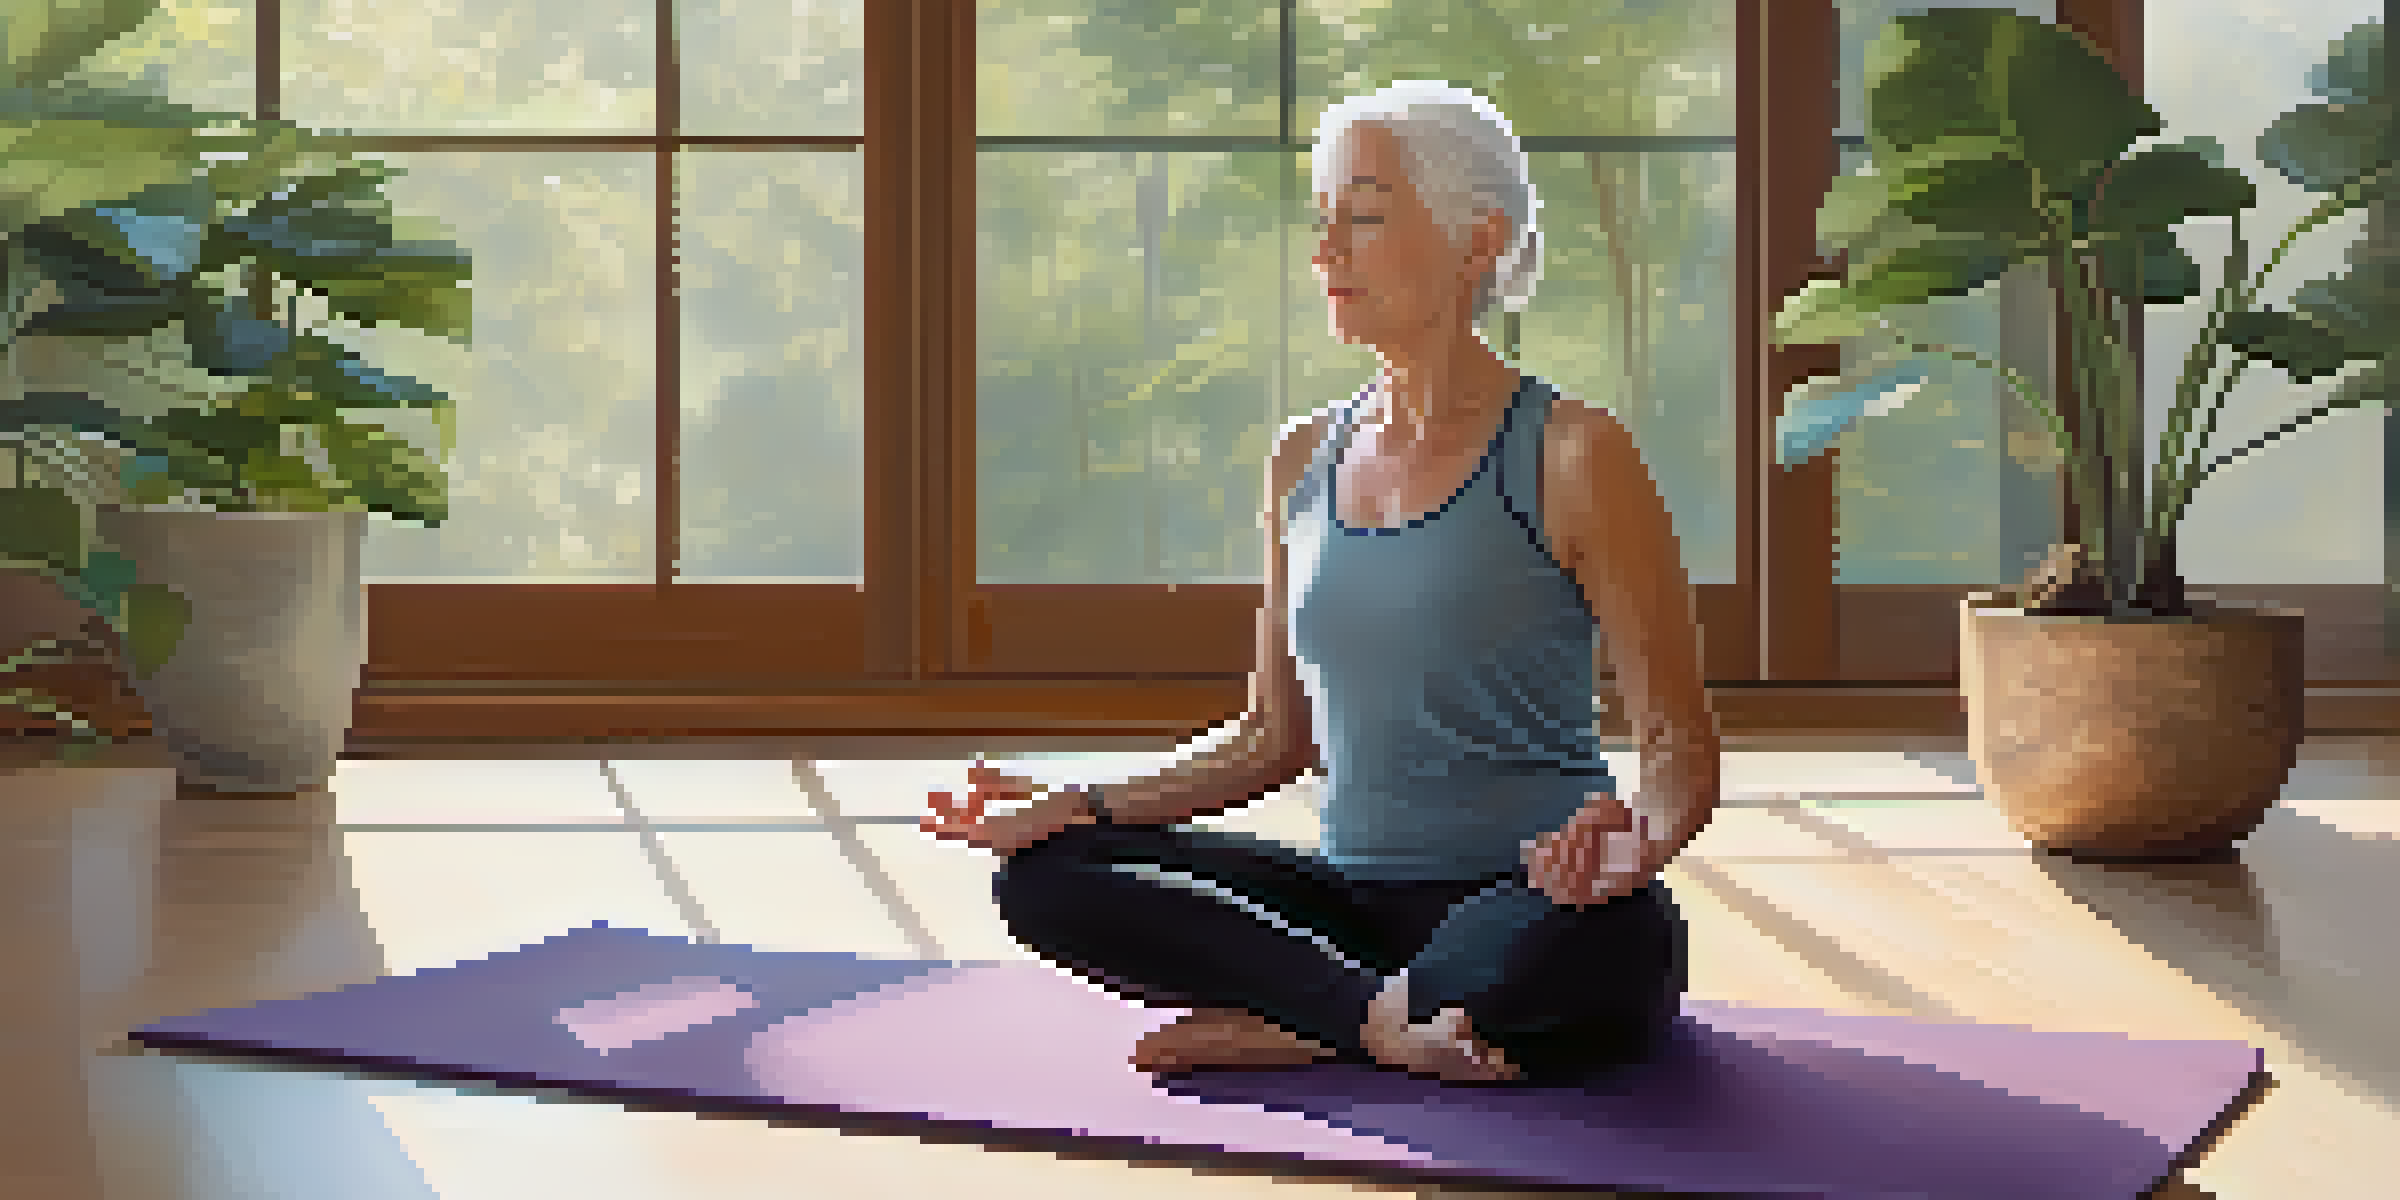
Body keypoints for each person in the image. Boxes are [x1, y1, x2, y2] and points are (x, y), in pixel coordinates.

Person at [923, 81, 1721, 1087]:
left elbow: (1677, 744)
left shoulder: (1576, 454)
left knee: (1621, 943)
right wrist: (1077, 802)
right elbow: (1273, 739)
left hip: (1527, 897)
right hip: (1344, 901)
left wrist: (1632, 843)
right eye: (1323, 221)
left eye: (1366, 218)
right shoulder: (1303, 456)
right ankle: (1376, 1017)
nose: (1326, 252)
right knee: (1047, 878)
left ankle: (1314, 1015)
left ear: (1478, 241)